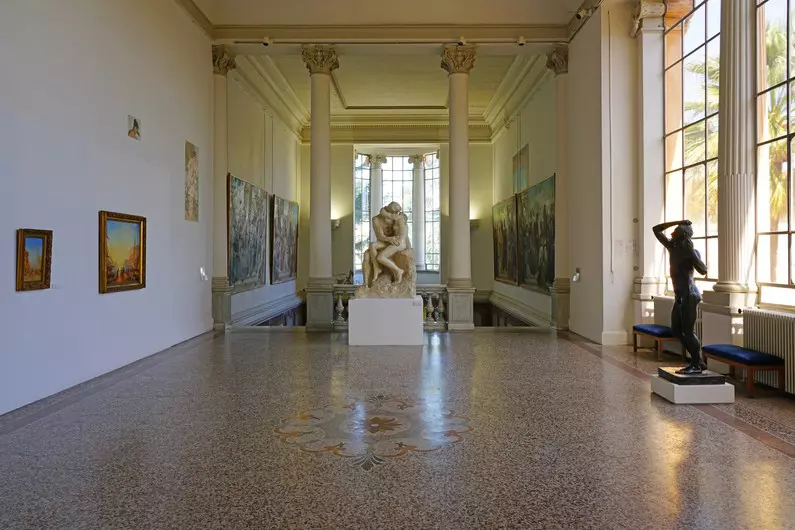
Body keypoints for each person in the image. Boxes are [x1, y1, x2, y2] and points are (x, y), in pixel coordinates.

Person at [653, 219, 708, 374]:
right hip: (680, 296)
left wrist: (692, 254)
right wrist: (678, 221)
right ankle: (699, 361)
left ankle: (696, 364)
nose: (671, 233)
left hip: (689, 294)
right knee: (676, 330)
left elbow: (703, 270)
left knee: (688, 331)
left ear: (682, 235)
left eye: (675, 231)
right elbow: (656, 229)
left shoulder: (688, 251)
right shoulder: (673, 247)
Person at [363, 202, 410, 286]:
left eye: (395, 213)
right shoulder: (377, 219)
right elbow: (380, 235)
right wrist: (389, 239)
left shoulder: (398, 218)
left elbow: (403, 236)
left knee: (380, 256)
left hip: (397, 243)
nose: (394, 215)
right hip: (387, 241)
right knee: (372, 246)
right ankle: (377, 268)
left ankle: (397, 271)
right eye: (392, 213)